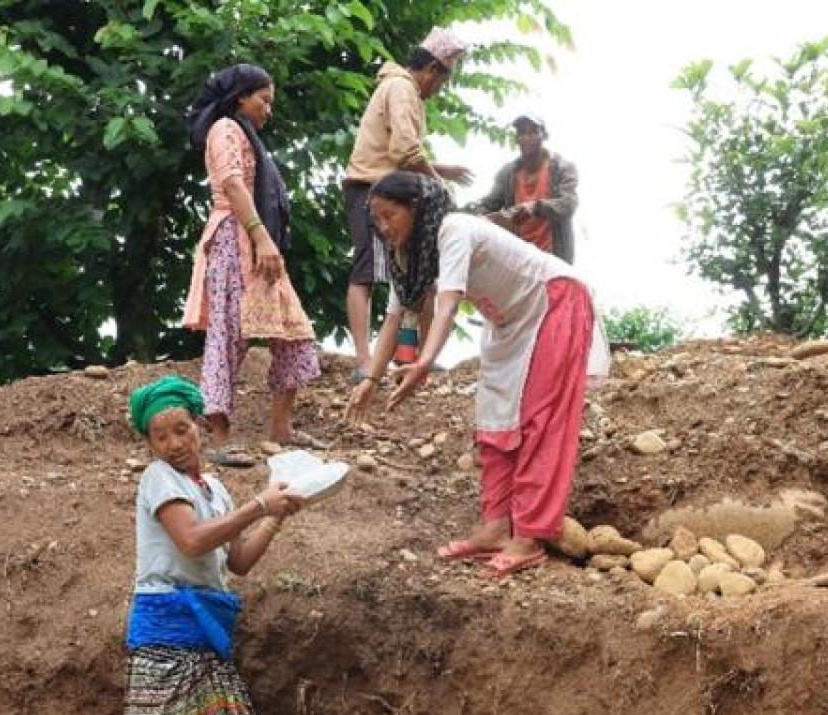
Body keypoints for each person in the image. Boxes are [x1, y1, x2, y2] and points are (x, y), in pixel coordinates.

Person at [346, 173, 607, 578]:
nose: (383, 227)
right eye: (376, 219)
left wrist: (425, 362)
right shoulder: (410, 259)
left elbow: (447, 306)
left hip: (553, 300)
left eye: (389, 215)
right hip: (508, 323)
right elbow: (394, 319)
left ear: (415, 207)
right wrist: (370, 380)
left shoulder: (453, 229)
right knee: (494, 418)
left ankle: (530, 537)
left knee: (540, 419)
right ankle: (496, 527)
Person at [112, 375, 303, 715]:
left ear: (200, 426)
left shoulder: (215, 491)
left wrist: (274, 513)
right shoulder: (157, 481)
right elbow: (193, 541)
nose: (174, 442)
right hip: (164, 641)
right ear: (149, 446)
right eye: (160, 435)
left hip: (206, 642)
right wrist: (257, 505)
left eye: (181, 429)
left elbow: (236, 562)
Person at [182, 64, 324, 468]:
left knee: (295, 333)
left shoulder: (244, 134)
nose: (268, 110)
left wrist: (263, 240)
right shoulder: (225, 130)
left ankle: (281, 429)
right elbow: (232, 184)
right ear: (240, 97)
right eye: (264, 100)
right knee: (227, 335)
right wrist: (261, 236)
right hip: (233, 237)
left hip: (256, 241)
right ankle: (219, 437)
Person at [341, 28, 474, 383]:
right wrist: (438, 183)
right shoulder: (401, 88)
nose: (437, 91)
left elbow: (398, 150)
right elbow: (404, 152)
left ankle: (411, 357)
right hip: (372, 190)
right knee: (368, 271)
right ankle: (365, 360)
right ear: (432, 69)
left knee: (413, 275)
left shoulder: (402, 90)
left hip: (389, 188)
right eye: (441, 82)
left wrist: (439, 170)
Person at [472, 113, 580, 264]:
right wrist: (478, 218)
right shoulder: (508, 173)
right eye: (522, 133)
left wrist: (536, 206)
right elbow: (489, 204)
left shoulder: (561, 167)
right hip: (518, 257)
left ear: (544, 136)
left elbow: (569, 203)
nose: (527, 138)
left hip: (553, 258)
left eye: (533, 132)